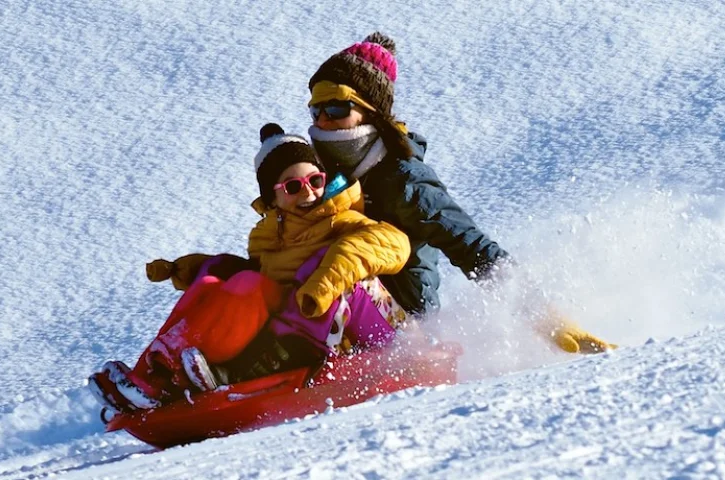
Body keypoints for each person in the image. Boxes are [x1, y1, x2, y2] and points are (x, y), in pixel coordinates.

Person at [302, 32, 612, 354]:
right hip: (335, 320)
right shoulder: (317, 177)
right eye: (317, 110)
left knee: (335, 270)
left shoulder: (403, 181)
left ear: (370, 112)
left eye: (337, 108)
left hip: (403, 328)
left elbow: (471, 247)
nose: (323, 120)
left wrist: (544, 316)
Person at [92, 124, 413, 413]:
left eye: (315, 180)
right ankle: (153, 375)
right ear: (272, 198)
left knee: (324, 267)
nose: (309, 191)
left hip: (377, 337)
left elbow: (395, 244)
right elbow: (257, 280)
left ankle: (246, 372)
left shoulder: (340, 216)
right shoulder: (267, 238)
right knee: (235, 276)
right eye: (293, 186)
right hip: (296, 338)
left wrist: (332, 271)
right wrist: (200, 270)